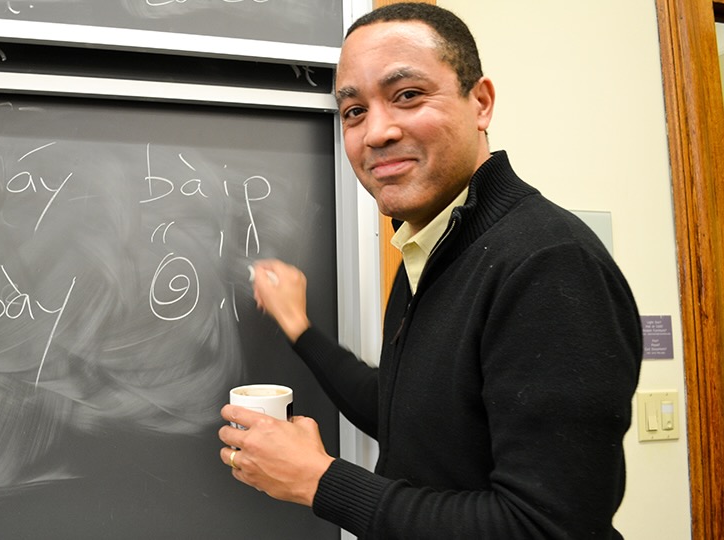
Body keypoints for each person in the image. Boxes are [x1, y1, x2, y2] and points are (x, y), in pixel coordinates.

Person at [217, 3, 643, 539]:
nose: (376, 132)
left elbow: (544, 528)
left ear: (481, 102)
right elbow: (406, 413)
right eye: (353, 111)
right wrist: (299, 328)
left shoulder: (549, 264)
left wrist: (319, 480)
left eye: (408, 96)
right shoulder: (432, 248)